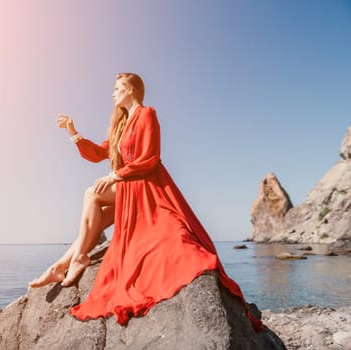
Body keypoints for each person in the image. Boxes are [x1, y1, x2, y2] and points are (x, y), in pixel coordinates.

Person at [29, 72, 263, 331]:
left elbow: (150, 157)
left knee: (91, 194)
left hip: (148, 186)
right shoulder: (121, 124)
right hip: (130, 186)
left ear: (131, 89)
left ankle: (76, 259)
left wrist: (116, 175)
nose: (113, 93)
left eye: (117, 88)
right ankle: (62, 264)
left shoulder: (146, 113)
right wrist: (73, 132)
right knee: (95, 213)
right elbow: (97, 153)